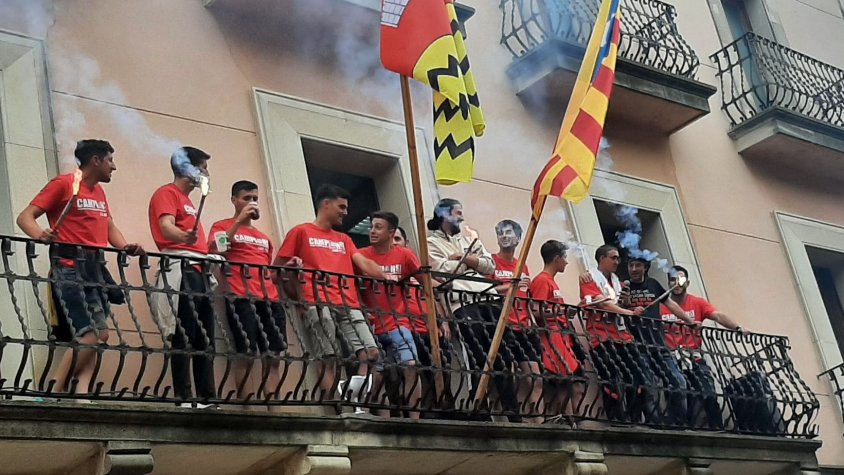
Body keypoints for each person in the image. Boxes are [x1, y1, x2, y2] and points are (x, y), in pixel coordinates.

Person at [17, 139, 144, 396]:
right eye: (110, 160)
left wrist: (124, 247)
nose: (114, 166)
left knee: (97, 335)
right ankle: (53, 389)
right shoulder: (64, 183)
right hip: (69, 266)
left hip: (95, 268)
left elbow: (108, 226)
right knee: (92, 333)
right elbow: (25, 217)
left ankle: (82, 394)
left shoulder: (99, 192)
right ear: (95, 160)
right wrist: (40, 234)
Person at [274, 184, 386, 404]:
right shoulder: (301, 231)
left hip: (349, 303)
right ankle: (337, 407)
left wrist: (384, 275)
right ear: (326, 204)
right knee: (329, 358)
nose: (345, 212)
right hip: (317, 302)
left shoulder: (344, 239)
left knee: (371, 352)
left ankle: (355, 397)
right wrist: (298, 295)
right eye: (341, 207)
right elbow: (276, 269)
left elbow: (362, 262)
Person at [426, 198, 515, 416]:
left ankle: (513, 412)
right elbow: (441, 271)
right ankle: (479, 410)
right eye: (457, 213)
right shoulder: (430, 243)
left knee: (503, 357)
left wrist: (462, 258)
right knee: (476, 357)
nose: (462, 217)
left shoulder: (469, 239)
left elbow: (490, 266)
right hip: (463, 303)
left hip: (490, 299)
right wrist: (471, 260)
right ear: (444, 214)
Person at [208, 180, 290, 401]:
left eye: (255, 198)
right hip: (241, 297)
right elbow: (216, 249)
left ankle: (273, 408)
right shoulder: (221, 226)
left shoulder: (264, 238)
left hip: (270, 299)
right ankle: (247, 409)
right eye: (246, 198)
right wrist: (239, 221)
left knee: (273, 357)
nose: (252, 202)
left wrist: (286, 267)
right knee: (246, 354)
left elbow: (267, 271)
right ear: (234, 200)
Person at [148, 146, 217, 406]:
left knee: (204, 338)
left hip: (199, 270)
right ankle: (185, 396)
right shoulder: (167, 193)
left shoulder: (188, 202)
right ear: (189, 169)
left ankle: (207, 397)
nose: (206, 173)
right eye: (203, 167)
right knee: (184, 333)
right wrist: (183, 236)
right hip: (184, 270)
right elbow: (166, 227)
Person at [578, 244, 656, 424]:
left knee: (638, 378)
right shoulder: (589, 279)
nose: (617, 261)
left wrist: (628, 305)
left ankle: (633, 418)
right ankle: (616, 419)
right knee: (610, 380)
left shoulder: (618, 282)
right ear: (601, 259)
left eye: (618, 258)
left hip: (622, 337)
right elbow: (603, 304)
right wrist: (629, 312)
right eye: (613, 257)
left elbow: (617, 305)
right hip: (602, 337)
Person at [660, 265, 744, 429]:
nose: (677, 283)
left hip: (695, 357)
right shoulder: (662, 306)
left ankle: (717, 429)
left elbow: (717, 315)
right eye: (672, 280)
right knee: (679, 397)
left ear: (687, 283)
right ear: (668, 283)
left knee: (709, 394)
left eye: (681, 279)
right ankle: (682, 431)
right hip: (672, 359)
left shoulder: (697, 302)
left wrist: (738, 328)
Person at [358, 211, 422, 418]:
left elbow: (424, 280)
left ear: (391, 232)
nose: (372, 231)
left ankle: (415, 420)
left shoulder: (405, 255)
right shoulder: (361, 255)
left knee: (410, 365)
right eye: (371, 226)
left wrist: (443, 286)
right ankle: (378, 419)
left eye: (378, 227)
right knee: (377, 375)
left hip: (398, 322)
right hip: (371, 323)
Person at [625, 256, 695, 425]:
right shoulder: (624, 287)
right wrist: (630, 309)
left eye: (638, 265)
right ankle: (654, 423)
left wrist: (689, 321)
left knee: (679, 382)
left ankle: (678, 422)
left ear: (645, 267)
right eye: (631, 265)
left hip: (658, 343)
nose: (633, 269)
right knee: (650, 387)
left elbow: (670, 304)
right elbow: (617, 308)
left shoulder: (653, 284)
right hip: (638, 345)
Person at [393, 227, 452, 417]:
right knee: (417, 372)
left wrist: (443, 322)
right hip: (408, 330)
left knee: (442, 369)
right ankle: (425, 412)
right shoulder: (393, 272)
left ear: (406, 243)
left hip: (431, 329)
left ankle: (442, 409)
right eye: (391, 239)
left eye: (397, 239)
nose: (394, 243)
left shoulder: (418, 272)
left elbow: (434, 295)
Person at [489, 219, 542, 422]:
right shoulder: (491, 261)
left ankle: (539, 422)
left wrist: (532, 318)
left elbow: (525, 294)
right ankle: (505, 421)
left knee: (535, 378)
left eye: (508, 232)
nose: (504, 236)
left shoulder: (522, 265)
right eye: (500, 233)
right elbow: (486, 290)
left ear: (519, 238)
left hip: (524, 327)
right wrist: (513, 284)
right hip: (503, 325)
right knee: (504, 377)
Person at [529, 240, 582, 422]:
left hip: (560, 337)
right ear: (557, 258)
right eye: (564, 257)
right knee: (563, 381)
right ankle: (566, 420)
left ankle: (569, 420)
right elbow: (536, 311)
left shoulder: (550, 281)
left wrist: (566, 312)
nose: (566, 262)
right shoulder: (542, 280)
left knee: (566, 383)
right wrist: (561, 312)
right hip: (551, 338)